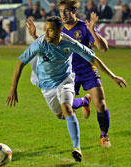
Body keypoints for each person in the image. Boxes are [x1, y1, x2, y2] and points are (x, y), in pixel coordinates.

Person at [7, 16, 127, 162]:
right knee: (60, 115)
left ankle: (77, 148)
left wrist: (113, 76)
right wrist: (13, 88)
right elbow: (20, 63)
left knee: (67, 108)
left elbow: (93, 58)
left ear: (60, 31)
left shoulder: (69, 43)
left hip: (65, 80)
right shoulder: (40, 43)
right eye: (45, 30)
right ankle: (84, 101)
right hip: (46, 85)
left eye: (50, 30)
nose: (46, 33)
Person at [26, 0, 116, 148]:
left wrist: (93, 30)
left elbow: (103, 48)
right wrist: (35, 35)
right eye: (61, 11)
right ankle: (84, 102)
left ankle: (104, 136)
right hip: (67, 74)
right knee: (63, 112)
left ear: (74, 11)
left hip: (88, 70)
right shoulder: (58, 28)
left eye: (66, 11)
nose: (63, 14)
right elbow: (46, 46)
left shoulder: (84, 27)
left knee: (100, 105)